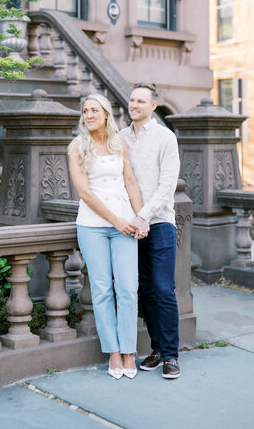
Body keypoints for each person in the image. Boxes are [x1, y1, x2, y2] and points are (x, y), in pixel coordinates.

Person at [68, 94, 146, 380]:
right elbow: (85, 192)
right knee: (101, 290)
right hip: (92, 226)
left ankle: (129, 351)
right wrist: (117, 221)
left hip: (125, 223)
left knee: (127, 288)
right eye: (85, 111)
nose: (88, 115)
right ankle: (113, 352)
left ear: (105, 115)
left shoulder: (118, 143)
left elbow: (130, 182)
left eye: (94, 110)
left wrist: (140, 217)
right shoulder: (76, 146)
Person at [120, 83, 181, 379]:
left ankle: (171, 355)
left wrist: (143, 216)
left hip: (159, 224)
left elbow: (167, 186)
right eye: (132, 100)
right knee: (144, 289)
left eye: (141, 101)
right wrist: (130, 219)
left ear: (153, 105)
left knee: (163, 289)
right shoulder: (119, 138)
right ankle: (156, 349)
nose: (135, 105)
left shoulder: (165, 138)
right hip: (130, 226)